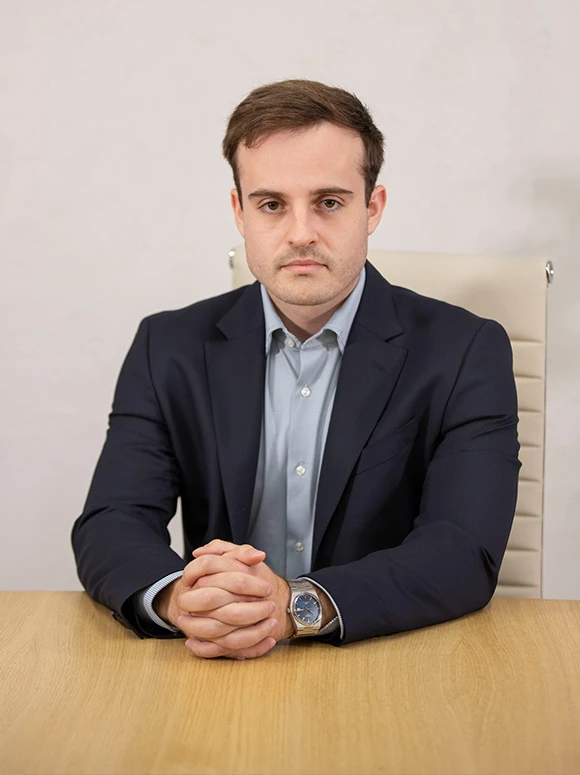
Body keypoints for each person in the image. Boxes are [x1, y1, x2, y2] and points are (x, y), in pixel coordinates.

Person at [72, 79, 520, 660]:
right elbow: (114, 519)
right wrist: (179, 600)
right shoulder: (169, 345)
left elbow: (463, 550)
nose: (301, 232)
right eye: (271, 204)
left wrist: (293, 607)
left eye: (329, 202)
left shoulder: (467, 350)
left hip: (388, 661)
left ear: (372, 208)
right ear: (240, 212)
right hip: (217, 666)